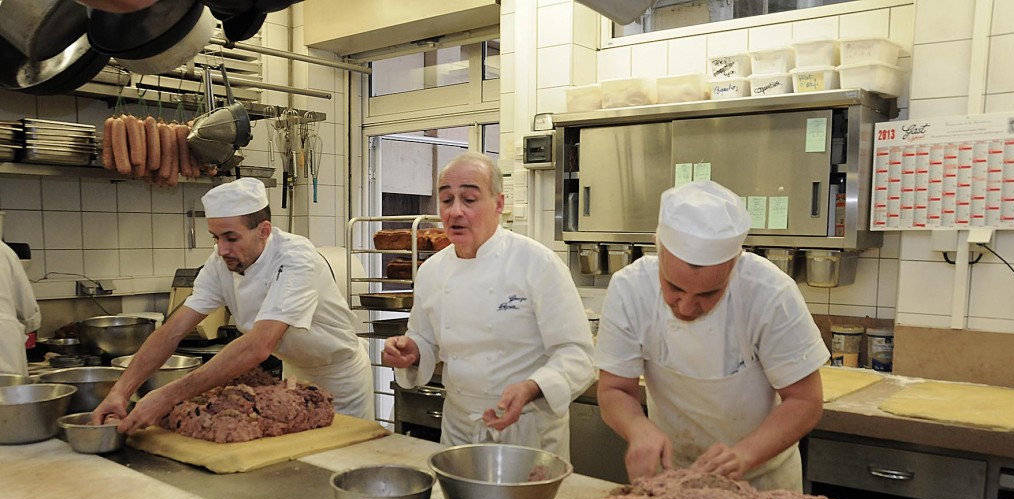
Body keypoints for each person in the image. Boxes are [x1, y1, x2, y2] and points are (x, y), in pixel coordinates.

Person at [595, 180, 829, 491]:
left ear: (734, 264)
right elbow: (614, 390)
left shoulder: (770, 295)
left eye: (709, 293)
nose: (688, 306)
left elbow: (805, 401)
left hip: (763, 483)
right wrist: (638, 428)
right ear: (658, 249)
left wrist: (743, 456)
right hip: (674, 479)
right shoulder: (630, 290)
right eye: (674, 287)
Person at [93, 178, 374, 432]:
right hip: (295, 376)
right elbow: (172, 331)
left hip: (342, 378)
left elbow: (259, 345)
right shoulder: (220, 263)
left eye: (231, 237)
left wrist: (168, 395)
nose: (222, 249)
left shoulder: (296, 259)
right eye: (215, 237)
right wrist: (121, 391)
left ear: (263, 230)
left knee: (340, 463)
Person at [381, 152, 594, 459]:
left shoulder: (536, 263)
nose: (455, 211)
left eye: (469, 199)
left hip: (525, 431)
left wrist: (533, 387)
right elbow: (425, 339)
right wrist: (411, 351)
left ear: (498, 204)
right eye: (446, 199)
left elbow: (577, 354)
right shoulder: (431, 271)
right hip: (459, 430)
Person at [0, 240, 41, 376]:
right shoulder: (4, 251)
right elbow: (28, 312)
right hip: (5, 346)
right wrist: (30, 326)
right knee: (9, 393)